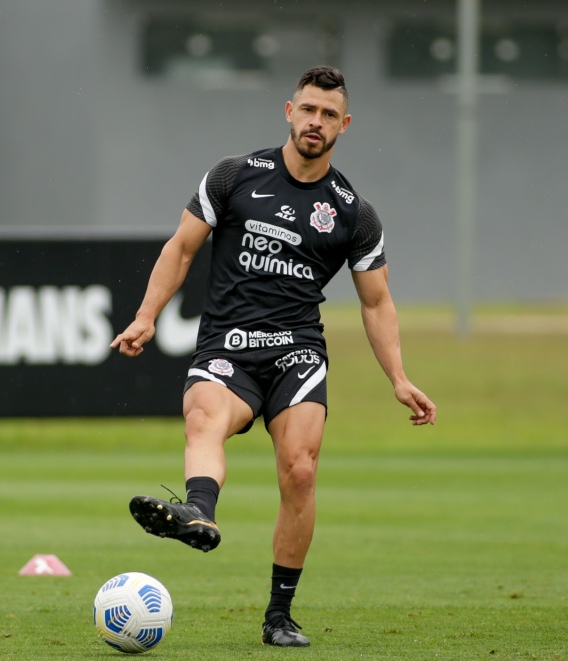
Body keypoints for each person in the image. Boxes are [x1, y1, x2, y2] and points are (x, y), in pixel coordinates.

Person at [110, 65, 436, 648]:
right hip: (227, 346)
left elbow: (377, 302)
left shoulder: (353, 213)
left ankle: (279, 615)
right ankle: (198, 513)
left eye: (329, 114)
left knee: (301, 470)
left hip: (296, 353)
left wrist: (399, 378)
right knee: (204, 418)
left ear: (345, 125)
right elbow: (181, 249)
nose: (316, 122)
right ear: (289, 111)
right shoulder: (235, 175)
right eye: (308, 109)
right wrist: (145, 315)